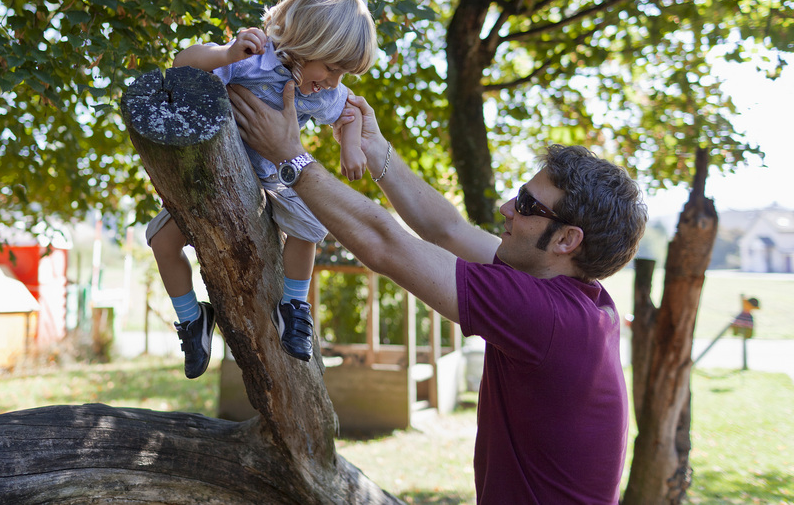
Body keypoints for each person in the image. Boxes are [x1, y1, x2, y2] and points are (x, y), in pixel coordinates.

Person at [227, 80, 647, 505]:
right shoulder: (573, 295)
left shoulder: (545, 317)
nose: (506, 209)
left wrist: (290, 156)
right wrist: (377, 150)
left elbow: (385, 245)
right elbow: (447, 229)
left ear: (566, 241)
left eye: (525, 204)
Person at [146, 0, 378, 379]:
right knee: (161, 241)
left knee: (311, 224)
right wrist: (224, 53)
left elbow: (351, 111)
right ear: (308, 40)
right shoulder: (250, 55)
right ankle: (192, 317)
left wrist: (350, 146)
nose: (335, 81)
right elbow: (181, 64)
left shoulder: (322, 92)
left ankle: (293, 303)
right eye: (332, 68)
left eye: (343, 74)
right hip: (213, 177)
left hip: (273, 178)